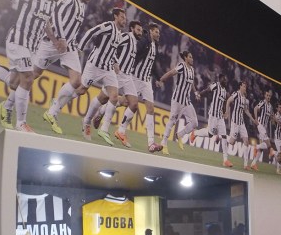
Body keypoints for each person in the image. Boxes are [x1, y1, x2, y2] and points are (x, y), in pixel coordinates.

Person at [0, 0, 64, 132]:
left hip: (32, 47)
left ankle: (6, 107)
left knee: (14, 83)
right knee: (28, 78)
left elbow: (46, 23)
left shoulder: (52, 4)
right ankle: (21, 123)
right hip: (18, 40)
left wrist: (54, 40)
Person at [33, 0, 94, 134]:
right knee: (32, 75)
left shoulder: (82, 6)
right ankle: (8, 103)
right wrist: (61, 37)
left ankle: (52, 112)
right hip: (52, 43)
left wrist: (73, 44)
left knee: (77, 81)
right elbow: (57, 14)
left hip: (68, 46)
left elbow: (73, 27)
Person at [84, 19, 144, 147]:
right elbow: (112, 45)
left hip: (128, 76)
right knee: (102, 98)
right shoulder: (126, 37)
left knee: (133, 104)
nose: (140, 32)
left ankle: (120, 131)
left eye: (141, 31)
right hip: (118, 74)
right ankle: (90, 118)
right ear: (132, 29)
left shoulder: (135, 43)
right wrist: (114, 62)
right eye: (138, 30)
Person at [77, 7, 127, 145]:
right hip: (94, 65)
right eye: (122, 17)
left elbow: (112, 50)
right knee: (81, 90)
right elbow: (91, 32)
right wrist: (80, 48)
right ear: (115, 16)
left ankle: (101, 128)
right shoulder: (108, 26)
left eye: (125, 18)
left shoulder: (119, 33)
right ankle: (58, 104)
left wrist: (115, 62)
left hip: (107, 69)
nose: (124, 20)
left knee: (114, 96)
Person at [159, 50, 200, 154]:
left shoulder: (192, 70)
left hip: (186, 101)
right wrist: (161, 79)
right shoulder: (181, 66)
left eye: (192, 57)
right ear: (185, 58)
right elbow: (171, 73)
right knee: (172, 121)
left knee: (195, 122)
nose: (192, 59)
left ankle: (180, 135)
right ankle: (163, 143)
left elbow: (191, 82)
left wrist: (195, 92)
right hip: (177, 99)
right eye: (190, 57)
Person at [134, 22, 164, 152]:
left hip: (146, 81)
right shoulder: (143, 41)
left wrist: (158, 78)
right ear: (151, 31)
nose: (158, 34)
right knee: (125, 102)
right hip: (136, 77)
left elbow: (153, 64)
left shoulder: (155, 45)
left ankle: (151, 143)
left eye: (159, 32)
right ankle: (102, 111)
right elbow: (134, 55)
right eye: (156, 32)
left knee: (150, 109)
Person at [192, 73, 231, 166]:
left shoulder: (225, 91)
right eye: (224, 79)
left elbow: (224, 102)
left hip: (220, 117)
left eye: (226, 79)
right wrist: (199, 95)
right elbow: (207, 90)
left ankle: (225, 160)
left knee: (224, 136)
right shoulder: (216, 85)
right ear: (220, 79)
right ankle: (195, 133)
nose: (225, 81)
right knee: (210, 134)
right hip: (213, 115)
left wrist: (225, 112)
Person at [225, 80, 256, 170]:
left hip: (241, 123)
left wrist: (253, 119)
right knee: (232, 142)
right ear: (240, 87)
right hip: (235, 122)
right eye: (244, 86)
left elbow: (246, 110)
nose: (245, 88)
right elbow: (228, 101)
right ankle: (221, 137)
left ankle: (245, 165)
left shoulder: (244, 98)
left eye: (246, 86)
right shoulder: (236, 94)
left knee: (246, 141)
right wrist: (227, 112)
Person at [250, 88, 274, 170]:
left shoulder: (270, 106)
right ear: (265, 96)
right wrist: (256, 119)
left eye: (269, 96)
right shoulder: (263, 102)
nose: (268, 97)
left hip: (264, 127)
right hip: (260, 125)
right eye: (267, 95)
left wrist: (274, 120)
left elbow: (271, 116)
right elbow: (255, 108)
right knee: (268, 144)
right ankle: (257, 147)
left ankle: (253, 163)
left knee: (262, 148)